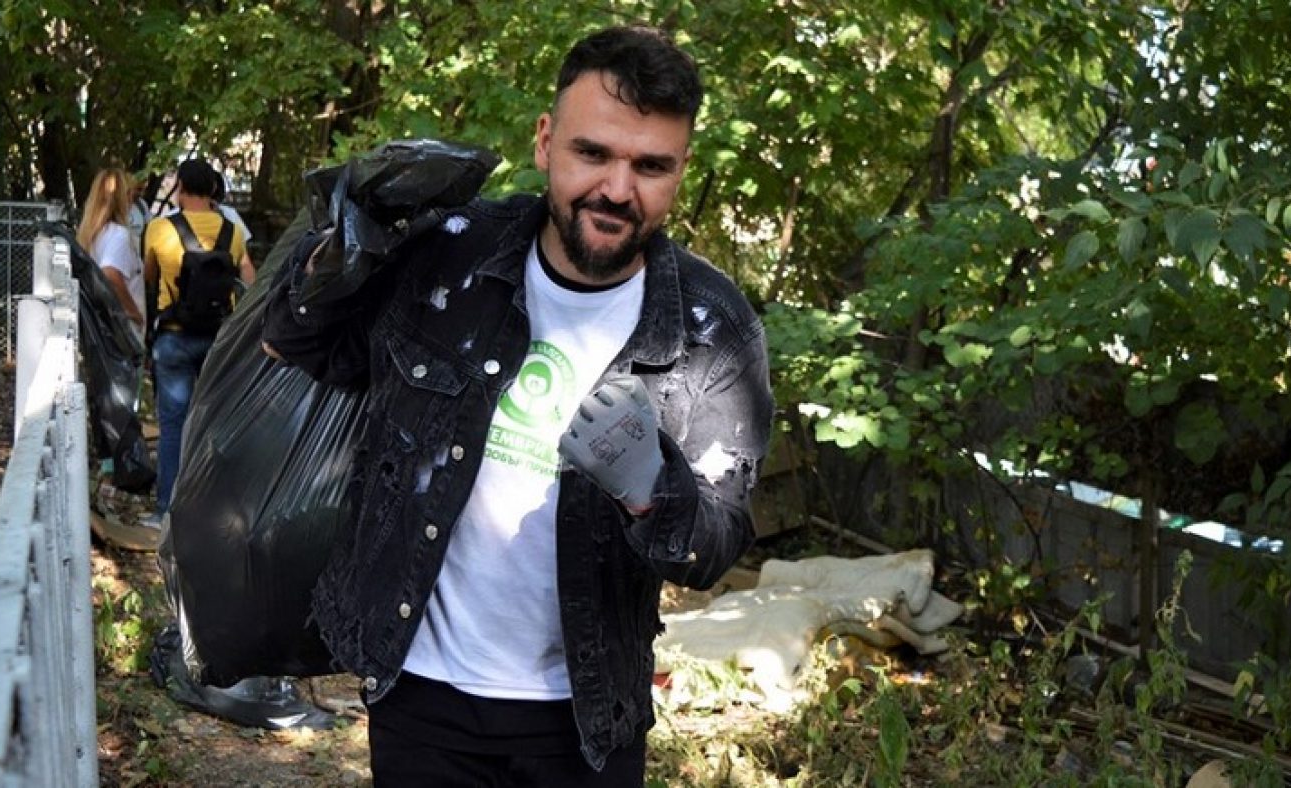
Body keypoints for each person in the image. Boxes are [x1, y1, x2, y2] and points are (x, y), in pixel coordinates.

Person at [263, 25, 774, 787]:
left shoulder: (712, 327)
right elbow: (301, 345)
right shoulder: (449, 253)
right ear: (544, 143)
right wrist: (343, 243)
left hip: (586, 719)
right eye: (592, 153)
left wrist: (652, 491)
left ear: (680, 171)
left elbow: (716, 547)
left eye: (650, 166)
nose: (617, 190)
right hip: (420, 695)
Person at [143, 158, 255, 524]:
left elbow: (149, 275)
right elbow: (246, 278)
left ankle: (167, 512)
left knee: (173, 426)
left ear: (180, 189)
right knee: (217, 423)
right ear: (212, 189)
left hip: (173, 338)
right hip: (219, 341)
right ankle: (216, 511)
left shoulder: (160, 229)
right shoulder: (232, 232)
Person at [77, 168, 147, 332]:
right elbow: (110, 274)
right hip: (124, 330)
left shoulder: (92, 234)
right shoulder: (119, 235)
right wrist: (133, 313)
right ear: (124, 197)